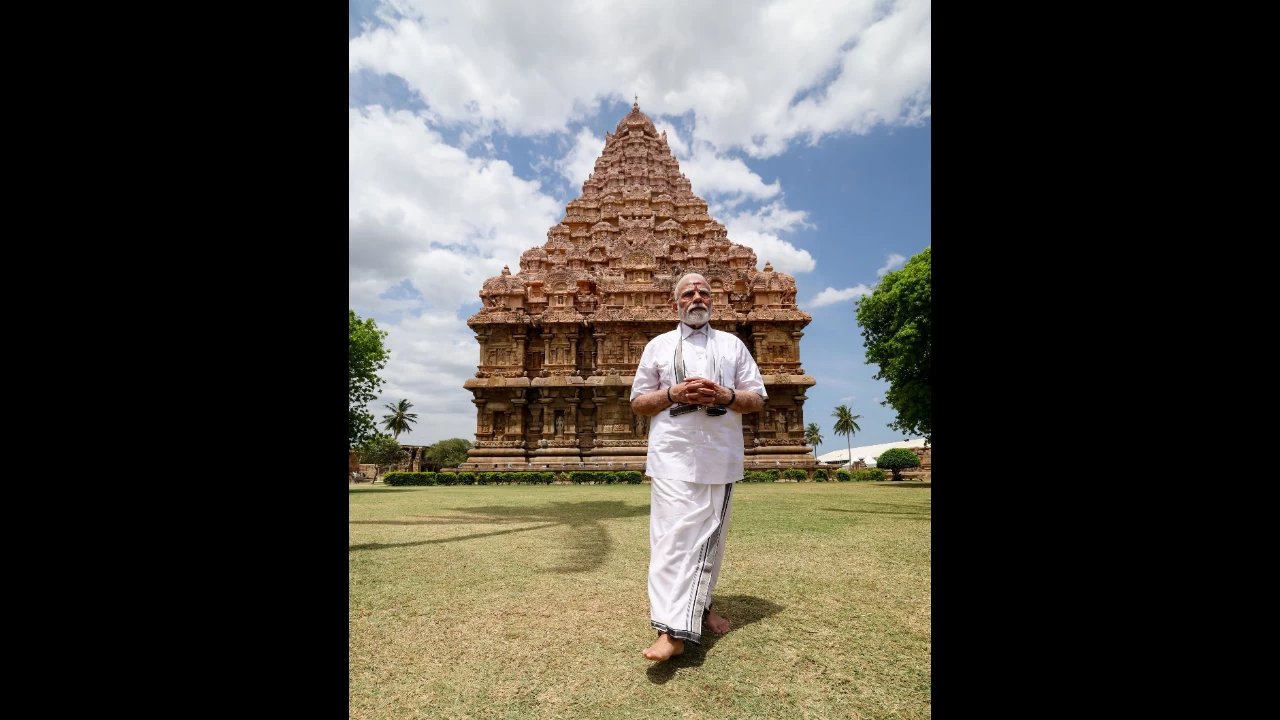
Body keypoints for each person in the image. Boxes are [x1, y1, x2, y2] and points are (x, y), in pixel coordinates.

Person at [629, 272, 766, 661]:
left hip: (718, 453)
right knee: (671, 539)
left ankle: (700, 608)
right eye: (688, 293)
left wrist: (725, 394)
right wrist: (673, 393)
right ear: (676, 303)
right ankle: (670, 630)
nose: (696, 297)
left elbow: (756, 398)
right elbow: (638, 402)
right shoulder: (659, 346)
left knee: (709, 538)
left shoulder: (732, 346)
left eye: (704, 291)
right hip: (671, 451)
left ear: (712, 300)